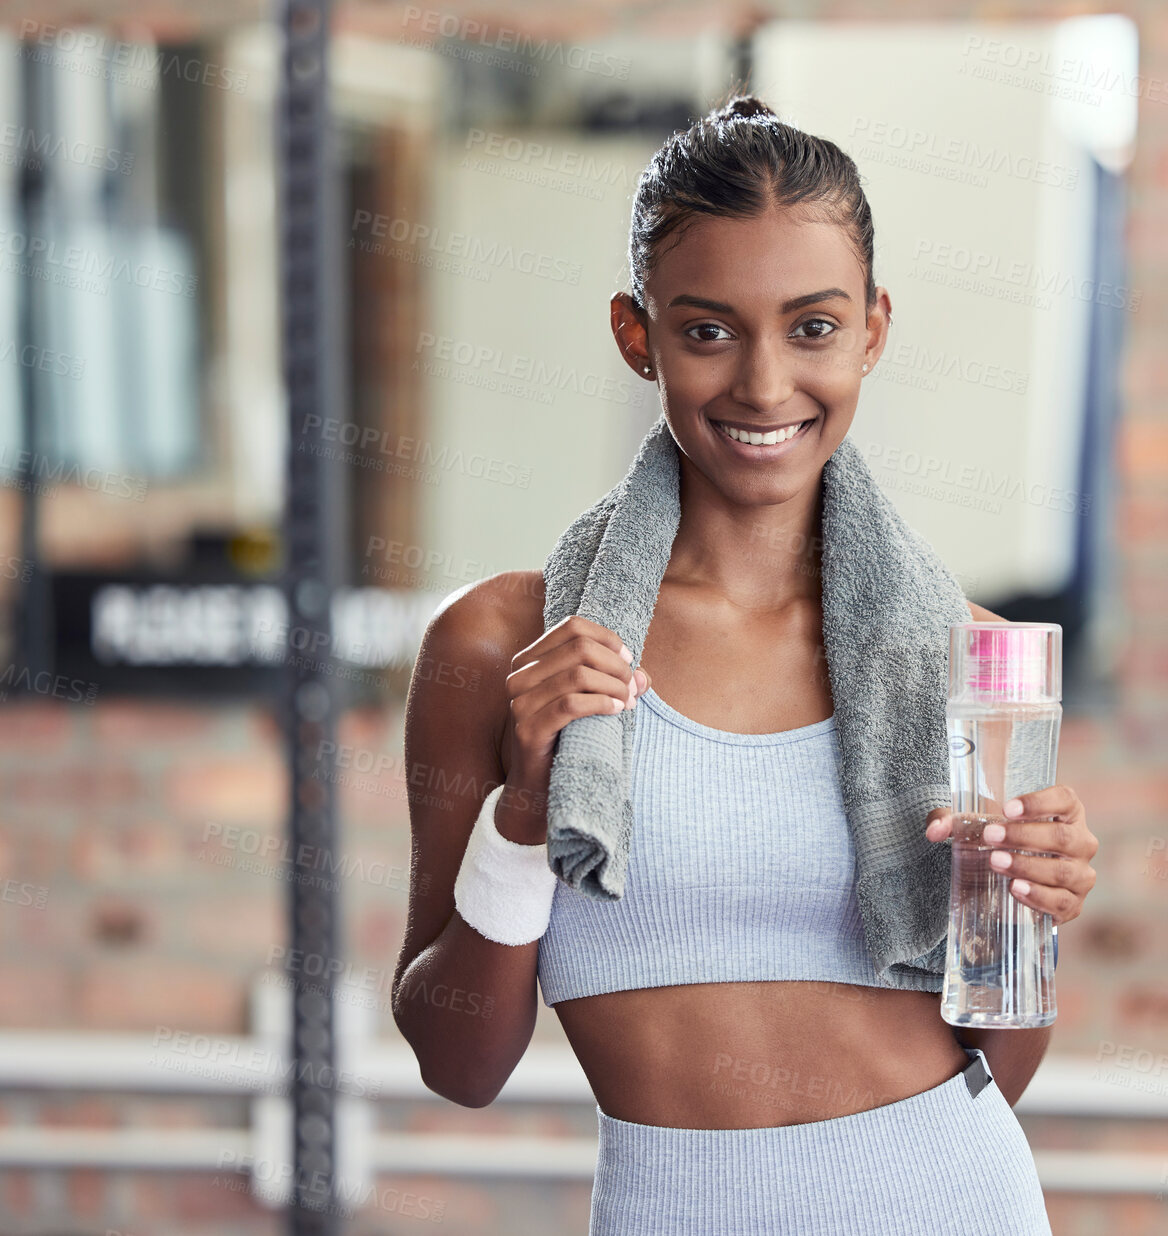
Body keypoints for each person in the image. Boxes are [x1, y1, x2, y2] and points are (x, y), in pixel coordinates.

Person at [392, 88, 1099, 1234]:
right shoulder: (506, 645)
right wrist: (524, 807)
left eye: (812, 328)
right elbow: (455, 1060)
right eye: (708, 330)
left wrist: (1029, 908)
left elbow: (1000, 1064)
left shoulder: (966, 654)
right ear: (639, 335)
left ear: (871, 329)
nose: (764, 386)